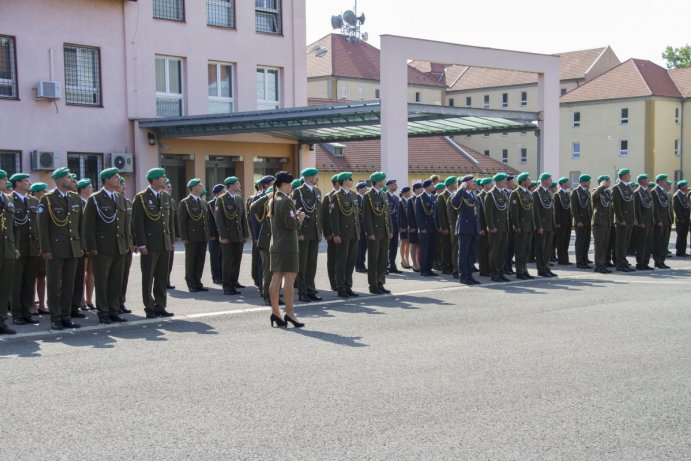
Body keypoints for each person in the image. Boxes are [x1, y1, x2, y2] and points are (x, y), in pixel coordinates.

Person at [38, 167, 84, 330]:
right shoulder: (47, 199)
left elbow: (80, 225)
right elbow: (42, 228)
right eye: (67, 177)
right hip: (55, 249)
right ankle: (55, 318)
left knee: (68, 284)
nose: (70, 179)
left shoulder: (75, 198)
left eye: (70, 176)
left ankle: (66, 316)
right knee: (54, 284)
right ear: (58, 180)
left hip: (72, 247)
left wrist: (80, 246)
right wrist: (45, 249)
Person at [83, 167, 129, 324]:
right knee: (102, 281)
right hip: (102, 247)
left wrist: (127, 243)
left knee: (116, 280)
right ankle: (103, 312)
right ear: (107, 180)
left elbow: (124, 225)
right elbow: (88, 226)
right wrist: (92, 247)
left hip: (119, 246)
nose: (118, 179)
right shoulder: (95, 199)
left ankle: (114, 309)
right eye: (115, 177)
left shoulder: (120, 198)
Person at [132, 167, 175, 318]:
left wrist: (171, 240)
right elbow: (138, 223)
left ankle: (160, 305)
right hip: (150, 244)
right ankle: (149, 307)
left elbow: (169, 221)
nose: (165, 179)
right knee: (148, 277)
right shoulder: (141, 197)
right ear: (155, 180)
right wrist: (141, 244)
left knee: (162, 277)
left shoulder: (166, 196)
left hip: (164, 242)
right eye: (162, 177)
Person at [267, 171, 305, 328]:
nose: (291, 187)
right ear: (285, 184)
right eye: (290, 184)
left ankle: (276, 312)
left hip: (275, 244)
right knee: (289, 280)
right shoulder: (286, 201)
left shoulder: (273, 199)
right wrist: (299, 218)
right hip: (288, 246)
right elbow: (291, 225)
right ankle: (290, 313)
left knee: (276, 278)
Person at [9, 173, 40, 326]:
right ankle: (16, 314)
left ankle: (26, 311)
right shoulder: (9, 200)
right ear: (18, 183)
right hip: (18, 247)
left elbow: (38, 225)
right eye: (26, 181)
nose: (29, 183)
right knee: (17, 281)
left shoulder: (33, 200)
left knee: (29, 280)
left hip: (32, 246)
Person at [292, 168, 323, 303]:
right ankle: (302, 292)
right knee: (302, 265)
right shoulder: (298, 192)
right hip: (303, 233)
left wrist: (319, 231)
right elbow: (295, 212)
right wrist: (299, 232)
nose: (317, 178)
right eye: (316, 176)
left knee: (312, 264)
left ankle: (311, 290)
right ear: (309, 177)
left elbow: (318, 214)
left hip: (314, 232)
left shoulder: (317, 191)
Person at [215, 176, 249, 296]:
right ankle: (227, 286)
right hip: (228, 236)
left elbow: (243, 219)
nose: (239, 185)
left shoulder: (239, 199)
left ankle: (234, 284)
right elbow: (219, 220)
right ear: (230, 186)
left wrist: (245, 234)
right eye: (237, 183)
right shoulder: (221, 200)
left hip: (238, 235)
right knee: (227, 262)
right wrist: (223, 236)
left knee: (237, 262)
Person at [330, 172, 360, 298]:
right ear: (344, 181)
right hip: (343, 233)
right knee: (341, 261)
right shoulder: (336, 196)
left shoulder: (353, 195)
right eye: (350, 179)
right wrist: (336, 234)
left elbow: (356, 214)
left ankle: (348, 286)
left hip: (353, 232)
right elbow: (333, 217)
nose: (352, 181)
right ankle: (341, 287)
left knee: (350, 261)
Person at [178, 178, 210, 292]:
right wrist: (184, 237)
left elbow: (206, 220)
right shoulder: (185, 202)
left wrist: (208, 234)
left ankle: (198, 281)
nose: (201, 187)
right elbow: (182, 221)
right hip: (191, 237)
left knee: (200, 260)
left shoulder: (202, 202)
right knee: (191, 260)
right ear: (193, 188)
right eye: (199, 186)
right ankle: (191, 283)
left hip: (202, 236)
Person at [363, 171, 392, 294]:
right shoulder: (368, 196)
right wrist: (370, 232)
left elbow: (387, 214)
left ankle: (380, 282)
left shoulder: (384, 194)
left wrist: (390, 229)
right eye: (383, 180)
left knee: (383, 259)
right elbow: (367, 216)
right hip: (374, 231)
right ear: (378, 181)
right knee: (373, 259)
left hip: (384, 231)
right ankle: (373, 285)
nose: (385, 181)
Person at [249, 179, 276, 305]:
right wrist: (266, 196)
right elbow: (253, 209)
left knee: (276, 271)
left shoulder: (280, 203)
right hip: (265, 239)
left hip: (278, 241)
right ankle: (267, 295)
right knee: (267, 270)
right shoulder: (262, 205)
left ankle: (274, 294)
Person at [451, 175, 481, 285]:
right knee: (463, 254)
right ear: (466, 183)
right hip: (464, 228)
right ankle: (463, 276)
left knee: (471, 254)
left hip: (473, 228)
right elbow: (454, 202)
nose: (474, 183)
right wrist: (461, 189)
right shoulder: (460, 193)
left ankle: (469, 275)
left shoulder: (473, 194)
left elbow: (478, 212)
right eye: (472, 182)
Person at [0, 169, 19, 335]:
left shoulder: (8, 198)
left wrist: (16, 247)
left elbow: (14, 227)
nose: (6, 182)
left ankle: (2, 321)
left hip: (7, 250)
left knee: (5, 287)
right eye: (4, 179)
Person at [72, 178, 94, 316]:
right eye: (89, 187)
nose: (91, 189)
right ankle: (81, 300)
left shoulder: (90, 202)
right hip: (82, 243)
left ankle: (89, 299)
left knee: (91, 272)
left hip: (91, 242)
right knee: (81, 272)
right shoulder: (77, 202)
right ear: (82, 189)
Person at [485, 173, 511, 282]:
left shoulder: (503, 193)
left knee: (502, 251)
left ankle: (500, 272)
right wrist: (491, 226)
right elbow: (488, 213)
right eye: (505, 180)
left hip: (504, 227)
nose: (506, 182)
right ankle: (494, 273)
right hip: (495, 228)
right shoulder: (491, 194)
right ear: (499, 181)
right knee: (495, 251)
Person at [509, 172, 535, 280]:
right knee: (520, 250)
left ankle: (525, 270)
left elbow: (530, 211)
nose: (529, 181)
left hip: (529, 226)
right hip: (521, 226)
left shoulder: (528, 193)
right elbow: (514, 212)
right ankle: (519, 271)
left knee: (527, 250)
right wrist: (517, 226)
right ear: (523, 181)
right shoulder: (516, 193)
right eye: (528, 179)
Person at [29, 182, 49, 316]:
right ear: (35, 193)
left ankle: (42, 304)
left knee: (42, 275)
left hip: (42, 244)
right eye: (42, 191)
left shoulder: (46, 204)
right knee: (31, 277)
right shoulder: (30, 203)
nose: (44, 194)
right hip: (31, 245)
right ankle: (31, 305)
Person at [533, 172, 557, 277]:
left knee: (548, 249)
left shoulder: (548, 192)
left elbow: (551, 210)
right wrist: (539, 226)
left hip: (549, 225)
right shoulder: (537, 193)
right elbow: (536, 211)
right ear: (543, 181)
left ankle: (547, 267)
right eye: (549, 179)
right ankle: (541, 269)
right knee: (541, 249)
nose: (551, 181)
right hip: (542, 225)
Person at [611, 169, 636, 272]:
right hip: (622, 220)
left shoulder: (628, 187)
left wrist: (633, 218)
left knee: (626, 242)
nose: (629, 175)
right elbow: (616, 205)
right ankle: (619, 263)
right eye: (627, 174)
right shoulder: (617, 188)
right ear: (623, 176)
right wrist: (620, 219)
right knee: (620, 243)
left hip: (629, 219)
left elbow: (632, 205)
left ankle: (623, 261)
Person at [116, 176, 133, 315]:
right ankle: (113, 303)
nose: (123, 187)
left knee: (124, 275)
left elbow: (132, 225)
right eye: (121, 184)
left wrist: (134, 242)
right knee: (115, 276)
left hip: (127, 244)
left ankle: (121, 301)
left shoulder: (128, 202)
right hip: (116, 244)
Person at [415, 179, 439, 277]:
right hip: (425, 227)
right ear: (426, 187)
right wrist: (421, 227)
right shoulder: (420, 198)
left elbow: (436, 214)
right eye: (431, 185)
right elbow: (418, 215)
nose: (433, 186)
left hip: (433, 227)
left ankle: (429, 268)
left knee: (432, 249)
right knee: (424, 249)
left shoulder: (433, 197)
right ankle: (423, 269)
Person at [570, 174, 593, 269]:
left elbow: (589, 207)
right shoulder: (576, 192)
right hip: (580, 221)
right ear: (583, 182)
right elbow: (574, 208)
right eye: (588, 181)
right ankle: (579, 261)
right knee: (580, 242)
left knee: (586, 241)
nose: (589, 183)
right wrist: (578, 220)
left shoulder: (587, 192)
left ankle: (584, 259)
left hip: (587, 220)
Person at [632, 174, 655, 271]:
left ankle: (645, 262)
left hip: (649, 222)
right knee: (641, 244)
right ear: (641, 181)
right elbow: (637, 209)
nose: (648, 180)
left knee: (648, 244)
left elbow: (650, 207)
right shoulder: (638, 192)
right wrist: (640, 221)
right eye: (646, 179)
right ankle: (640, 263)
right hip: (642, 222)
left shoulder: (647, 191)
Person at [321, 175, 340, 290]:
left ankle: (341, 281)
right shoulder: (328, 197)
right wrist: (327, 233)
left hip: (343, 234)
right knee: (333, 259)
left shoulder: (344, 196)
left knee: (341, 259)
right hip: (332, 235)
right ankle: (334, 283)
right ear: (337, 183)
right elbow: (325, 217)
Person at [592, 175, 613, 274]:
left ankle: (602, 263)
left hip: (607, 221)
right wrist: (601, 186)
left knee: (604, 245)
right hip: (599, 222)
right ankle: (598, 265)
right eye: (607, 181)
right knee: (599, 245)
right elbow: (594, 197)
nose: (609, 183)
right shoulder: (596, 191)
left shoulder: (607, 193)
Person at [651, 174, 672, 269]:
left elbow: (667, 207)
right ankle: (657, 261)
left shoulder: (663, 191)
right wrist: (658, 220)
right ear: (659, 181)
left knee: (664, 243)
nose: (666, 182)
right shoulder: (655, 191)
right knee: (658, 243)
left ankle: (662, 261)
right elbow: (655, 208)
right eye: (664, 180)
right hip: (660, 221)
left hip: (666, 221)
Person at [436, 176, 456, 275]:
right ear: (451, 184)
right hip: (447, 226)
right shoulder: (442, 196)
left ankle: (453, 265)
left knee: (453, 247)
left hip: (453, 225)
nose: (456, 185)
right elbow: (441, 213)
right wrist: (443, 227)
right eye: (455, 183)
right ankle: (446, 267)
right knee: (446, 247)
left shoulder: (454, 194)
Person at [207, 184, 225, 284]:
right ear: (217, 193)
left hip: (223, 234)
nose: (225, 193)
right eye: (223, 191)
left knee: (223, 256)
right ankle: (216, 276)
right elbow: (208, 221)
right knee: (214, 256)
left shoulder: (224, 202)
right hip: (214, 235)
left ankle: (223, 275)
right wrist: (211, 234)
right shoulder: (210, 204)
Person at [164, 178, 179, 289]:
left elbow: (174, 220)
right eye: (168, 186)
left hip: (170, 236)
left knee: (169, 261)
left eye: (171, 186)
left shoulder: (172, 201)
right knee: (163, 261)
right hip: (162, 236)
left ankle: (167, 280)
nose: (170, 188)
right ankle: (162, 282)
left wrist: (176, 235)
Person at [554, 177, 573, 265]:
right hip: (561, 222)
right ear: (563, 184)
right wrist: (557, 222)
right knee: (561, 241)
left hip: (568, 221)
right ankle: (561, 259)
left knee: (566, 240)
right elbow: (556, 210)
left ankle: (565, 259)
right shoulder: (557, 195)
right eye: (567, 182)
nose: (569, 183)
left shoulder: (568, 194)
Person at [385, 179, 402, 274]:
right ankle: (385, 265)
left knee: (394, 247)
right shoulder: (384, 196)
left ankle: (392, 265)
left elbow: (398, 213)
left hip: (395, 225)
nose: (396, 186)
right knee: (386, 247)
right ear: (390, 186)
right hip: (387, 226)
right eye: (395, 185)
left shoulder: (395, 198)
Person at [476, 178, 492, 276]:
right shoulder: (479, 196)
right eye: (490, 184)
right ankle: (483, 270)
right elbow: (479, 214)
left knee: (489, 249)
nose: (491, 185)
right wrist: (481, 228)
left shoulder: (490, 195)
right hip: (483, 227)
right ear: (485, 185)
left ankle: (489, 268)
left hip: (489, 226)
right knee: (483, 249)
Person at [502, 175, 516, 275]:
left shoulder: (512, 193)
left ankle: (509, 266)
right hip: (505, 224)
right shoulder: (503, 193)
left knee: (511, 246)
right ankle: (504, 267)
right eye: (511, 182)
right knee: (505, 247)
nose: (513, 183)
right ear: (506, 183)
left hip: (512, 223)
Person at [354, 181, 369, 273]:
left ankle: (362, 264)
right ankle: (358, 265)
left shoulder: (365, 198)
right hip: (359, 227)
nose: (366, 189)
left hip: (365, 227)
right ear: (359, 189)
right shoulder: (356, 198)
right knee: (359, 248)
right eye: (364, 188)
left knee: (364, 247)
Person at [407, 182, 422, 272]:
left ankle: (419, 263)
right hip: (414, 226)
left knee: (420, 246)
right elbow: (409, 215)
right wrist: (412, 226)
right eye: (420, 188)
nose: (422, 189)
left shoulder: (422, 198)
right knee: (414, 245)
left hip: (421, 225)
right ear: (416, 189)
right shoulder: (411, 200)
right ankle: (415, 264)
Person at [673, 180, 690, 256]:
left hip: (686, 219)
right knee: (681, 236)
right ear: (681, 186)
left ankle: (683, 251)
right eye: (685, 185)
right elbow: (677, 208)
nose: (686, 187)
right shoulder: (677, 195)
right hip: (681, 220)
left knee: (684, 236)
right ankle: (679, 251)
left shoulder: (683, 195)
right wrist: (681, 218)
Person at [398, 186, 412, 269]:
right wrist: (401, 226)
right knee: (403, 243)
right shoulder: (400, 202)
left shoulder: (409, 201)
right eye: (408, 191)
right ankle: (403, 260)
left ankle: (407, 260)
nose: (410, 193)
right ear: (404, 193)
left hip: (408, 225)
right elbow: (400, 216)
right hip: (403, 225)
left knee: (408, 243)